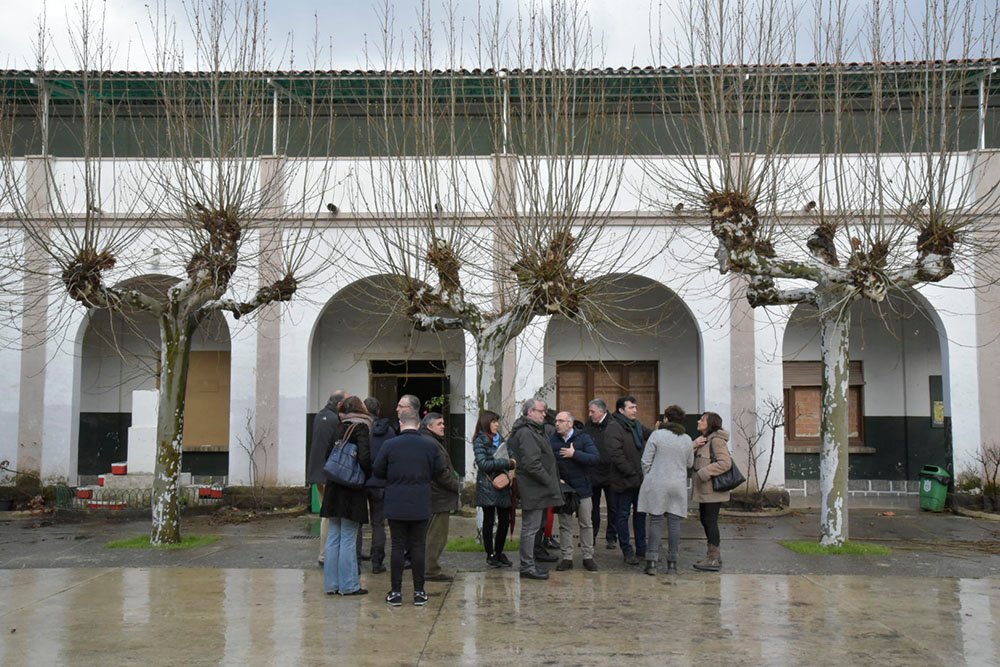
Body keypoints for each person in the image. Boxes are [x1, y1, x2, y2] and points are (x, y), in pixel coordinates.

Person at [372, 399, 446, 606]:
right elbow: (439, 471)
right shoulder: (429, 445)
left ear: (400, 423)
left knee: (397, 546)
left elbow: (377, 470)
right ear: (419, 424)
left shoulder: (390, 445)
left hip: (395, 501)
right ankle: (419, 592)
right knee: (418, 546)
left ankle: (396, 592)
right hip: (421, 501)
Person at [321, 395, 372, 596]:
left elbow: (327, 455)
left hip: (334, 487)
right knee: (349, 538)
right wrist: (367, 475)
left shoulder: (339, 427)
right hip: (352, 489)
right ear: (361, 409)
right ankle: (349, 585)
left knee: (334, 537)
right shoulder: (361, 428)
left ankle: (331, 584)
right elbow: (364, 457)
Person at [507, 398, 563, 580]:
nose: (544, 414)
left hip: (538, 487)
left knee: (535, 527)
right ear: (530, 412)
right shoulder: (526, 432)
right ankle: (527, 566)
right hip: (534, 487)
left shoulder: (534, 430)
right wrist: (549, 481)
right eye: (541, 411)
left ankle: (529, 563)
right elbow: (532, 464)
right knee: (530, 528)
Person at [637, 405, 694, 575]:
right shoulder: (687, 439)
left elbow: (645, 460)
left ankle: (652, 562)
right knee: (674, 523)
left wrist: (649, 476)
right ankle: (672, 564)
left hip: (658, 483)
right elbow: (690, 463)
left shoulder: (657, 435)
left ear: (666, 418)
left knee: (656, 521)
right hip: (678, 484)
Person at [550, 411, 600, 572]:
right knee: (565, 525)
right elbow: (548, 462)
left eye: (561, 421)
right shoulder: (552, 440)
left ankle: (588, 556)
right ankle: (567, 558)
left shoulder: (583, 438)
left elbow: (595, 458)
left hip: (582, 488)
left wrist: (575, 454)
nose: (557, 424)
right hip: (564, 490)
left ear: (570, 424)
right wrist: (556, 478)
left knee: (586, 523)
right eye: (556, 421)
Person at [307, 389, 347, 567]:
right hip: (328, 473)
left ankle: (325, 554)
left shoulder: (319, 416)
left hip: (317, 472)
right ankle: (324, 554)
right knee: (329, 516)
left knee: (326, 514)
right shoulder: (335, 420)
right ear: (339, 404)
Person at [420, 412, 461, 582]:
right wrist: (456, 486)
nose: (443, 426)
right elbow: (441, 473)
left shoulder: (428, 440)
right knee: (436, 536)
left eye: (443, 423)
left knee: (430, 535)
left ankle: (427, 568)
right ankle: (431, 570)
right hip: (438, 497)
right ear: (429, 426)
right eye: (439, 424)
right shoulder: (432, 443)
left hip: (433, 496)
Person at [472, 410, 516, 568]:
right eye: (493, 421)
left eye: (497, 421)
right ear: (486, 423)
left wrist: (511, 461)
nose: (497, 424)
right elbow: (483, 464)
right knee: (489, 520)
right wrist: (506, 463)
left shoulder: (501, 439)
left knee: (505, 520)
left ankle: (499, 552)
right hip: (488, 485)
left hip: (503, 484)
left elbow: (512, 456)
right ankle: (490, 554)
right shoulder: (480, 440)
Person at [609, 395, 649, 565]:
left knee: (640, 515)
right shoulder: (614, 427)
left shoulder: (637, 425)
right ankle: (627, 550)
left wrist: (666, 431)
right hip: (624, 480)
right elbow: (616, 455)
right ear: (621, 410)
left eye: (635, 407)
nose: (635, 410)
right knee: (623, 515)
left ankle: (642, 549)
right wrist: (632, 473)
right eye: (631, 407)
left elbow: (651, 435)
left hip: (639, 480)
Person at [691, 411, 732, 572]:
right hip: (705, 490)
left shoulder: (716, 441)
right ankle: (713, 556)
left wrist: (704, 473)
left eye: (702, 420)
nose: (698, 421)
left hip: (712, 490)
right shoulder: (705, 440)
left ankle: (713, 558)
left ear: (711, 423)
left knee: (710, 521)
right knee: (705, 520)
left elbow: (725, 463)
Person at [363, 396, 395, 574]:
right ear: (378, 410)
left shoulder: (360, 428)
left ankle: (355, 561)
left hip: (361, 481)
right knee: (378, 524)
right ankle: (377, 562)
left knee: (356, 524)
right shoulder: (389, 431)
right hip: (381, 482)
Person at [585, 399, 620, 551]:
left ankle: (611, 537)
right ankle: (591, 536)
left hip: (611, 472)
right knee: (593, 507)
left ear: (601, 411)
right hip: (593, 472)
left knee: (613, 507)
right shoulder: (588, 425)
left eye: (592, 411)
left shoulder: (614, 425)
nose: (590, 414)